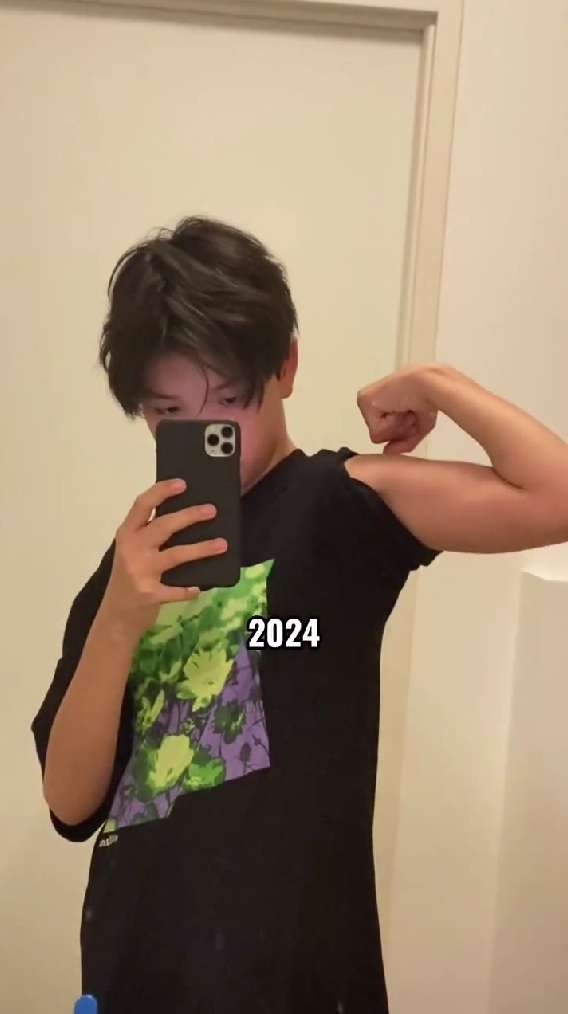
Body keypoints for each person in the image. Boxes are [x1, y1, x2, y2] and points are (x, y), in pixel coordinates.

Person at [32, 217, 568, 1014]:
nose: (204, 434)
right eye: (169, 411)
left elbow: (555, 496)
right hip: (133, 975)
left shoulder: (341, 504)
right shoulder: (134, 564)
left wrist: (436, 382)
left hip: (297, 981)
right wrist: (117, 617)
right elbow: (69, 802)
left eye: (228, 401)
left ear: (285, 365)